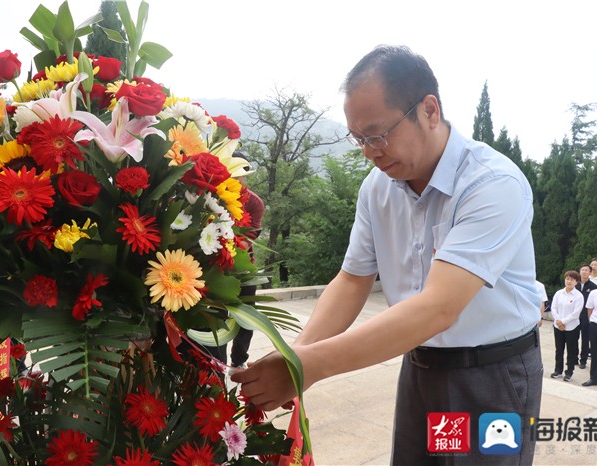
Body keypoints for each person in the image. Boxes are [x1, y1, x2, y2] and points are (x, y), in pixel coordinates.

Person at [232, 45, 543, 465]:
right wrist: (296, 356)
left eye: (378, 134)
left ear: (429, 110)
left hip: (491, 376)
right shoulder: (378, 188)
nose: (369, 151)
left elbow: (438, 308)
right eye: (358, 138)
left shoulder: (491, 184)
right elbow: (352, 280)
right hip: (422, 368)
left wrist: (309, 365)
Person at [228, 152, 265, 369]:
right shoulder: (212, 195)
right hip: (213, 266)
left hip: (243, 267)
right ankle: (214, 361)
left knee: (247, 317)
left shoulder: (254, 202)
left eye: (240, 173)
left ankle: (238, 360)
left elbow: (248, 239)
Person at [549, 271, 583, 382]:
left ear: (576, 282)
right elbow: (553, 308)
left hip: (572, 327)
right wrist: (558, 322)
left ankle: (569, 372)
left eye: (572, 280)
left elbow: (576, 313)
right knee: (559, 349)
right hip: (558, 326)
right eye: (567, 279)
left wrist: (563, 321)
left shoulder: (578, 296)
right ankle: (558, 370)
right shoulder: (559, 293)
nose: (569, 281)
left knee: (571, 350)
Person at [575, 263, 597, 369]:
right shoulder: (575, 285)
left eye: (586, 270)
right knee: (573, 338)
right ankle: (573, 358)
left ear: (590, 273)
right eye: (582, 270)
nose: (584, 272)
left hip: (586, 317)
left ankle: (583, 360)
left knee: (585, 339)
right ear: (579, 272)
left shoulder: (594, 287)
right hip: (574, 316)